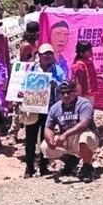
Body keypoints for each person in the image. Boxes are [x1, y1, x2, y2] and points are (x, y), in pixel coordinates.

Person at [23, 44, 67, 177]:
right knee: (30, 139)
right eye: (44, 54)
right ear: (39, 56)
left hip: (50, 109)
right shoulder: (31, 69)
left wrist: (57, 85)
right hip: (32, 109)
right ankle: (29, 168)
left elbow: (65, 85)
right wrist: (20, 93)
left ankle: (43, 167)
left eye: (49, 54)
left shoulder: (58, 70)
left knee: (46, 139)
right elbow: (22, 84)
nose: (47, 56)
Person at [42, 80, 98, 182]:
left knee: (85, 138)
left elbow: (84, 125)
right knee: (45, 146)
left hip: (82, 135)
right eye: (62, 93)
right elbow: (48, 127)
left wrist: (65, 135)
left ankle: (87, 167)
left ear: (75, 92)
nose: (66, 95)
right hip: (67, 139)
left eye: (69, 92)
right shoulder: (55, 108)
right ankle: (70, 161)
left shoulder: (84, 104)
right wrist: (50, 139)